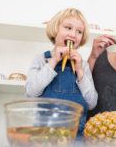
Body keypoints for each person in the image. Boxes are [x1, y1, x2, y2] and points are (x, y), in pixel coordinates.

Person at [25, 8, 98, 136]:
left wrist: (80, 70)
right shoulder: (41, 60)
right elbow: (31, 93)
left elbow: (92, 103)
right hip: (43, 134)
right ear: (55, 30)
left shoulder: (83, 65)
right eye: (68, 28)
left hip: (76, 136)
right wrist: (53, 61)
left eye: (79, 31)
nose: (73, 34)